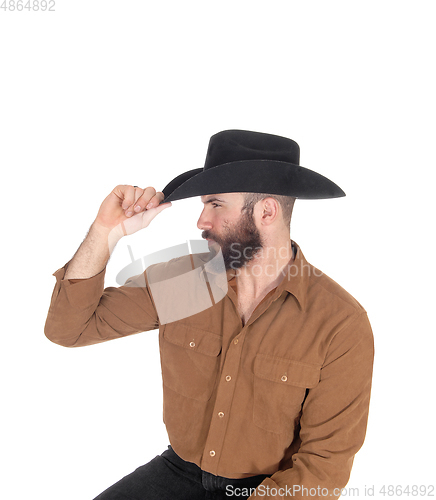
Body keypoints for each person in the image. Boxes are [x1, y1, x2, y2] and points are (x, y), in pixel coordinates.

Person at [45, 130, 374, 500]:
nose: (201, 221)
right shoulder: (184, 282)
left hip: (268, 491)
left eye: (216, 205)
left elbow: (322, 468)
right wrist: (105, 233)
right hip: (178, 472)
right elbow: (68, 329)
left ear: (267, 211)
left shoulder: (340, 324)